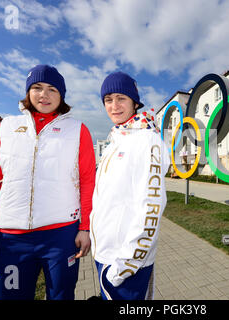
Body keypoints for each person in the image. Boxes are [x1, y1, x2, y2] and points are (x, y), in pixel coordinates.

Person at [0, 64, 96, 300]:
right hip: (12, 239)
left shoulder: (78, 130)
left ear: (62, 95)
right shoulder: (7, 127)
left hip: (61, 237)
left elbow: (88, 182)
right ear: (28, 92)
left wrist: (85, 228)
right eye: (37, 87)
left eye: (52, 89)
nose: (44, 94)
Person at [90, 71, 170, 300]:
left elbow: (151, 207)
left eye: (121, 98)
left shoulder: (148, 139)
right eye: (108, 100)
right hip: (105, 257)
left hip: (126, 264)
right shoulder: (116, 139)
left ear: (135, 102)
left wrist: (124, 267)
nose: (114, 106)